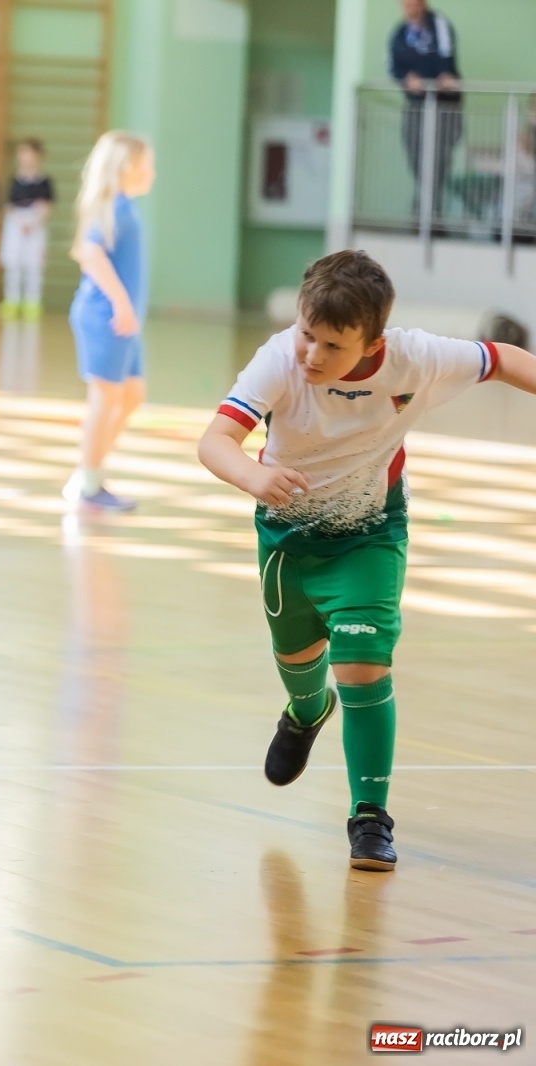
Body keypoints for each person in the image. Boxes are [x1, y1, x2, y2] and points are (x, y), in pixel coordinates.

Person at [197, 250, 536, 871]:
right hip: (289, 539)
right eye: (307, 334)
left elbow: (503, 359)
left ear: (374, 341)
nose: (313, 355)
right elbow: (215, 440)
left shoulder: (417, 357)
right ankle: (305, 710)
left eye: (332, 344)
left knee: (361, 668)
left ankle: (369, 816)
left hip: (370, 536)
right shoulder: (281, 360)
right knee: (299, 663)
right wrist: (251, 475)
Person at [65, 131, 154, 512]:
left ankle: (90, 470)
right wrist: (122, 304)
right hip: (106, 318)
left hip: (119, 321)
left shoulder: (124, 207)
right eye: (149, 164)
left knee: (132, 395)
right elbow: (89, 252)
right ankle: (88, 485)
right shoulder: (116, 207)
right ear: (129, 166)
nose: (153, 172)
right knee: (104, 400)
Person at [390, 0, 462, 216]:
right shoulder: (400, 34)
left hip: (444, 106)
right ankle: (424, 212)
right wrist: (406, 78)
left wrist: (444, 75)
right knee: (416, 156)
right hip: (416, 105)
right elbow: (393, 66)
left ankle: (428, 214)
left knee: (438, 160)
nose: (410, 9)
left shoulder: (438, 24)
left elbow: (446, 57)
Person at [0, 138, 54, 321]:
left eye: (29, 153)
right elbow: (8, 205)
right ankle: (12, 301)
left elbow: (48, 205)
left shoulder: (45, 181)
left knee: (34, 265)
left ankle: (32, 303)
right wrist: (20, 221)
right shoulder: (14, 180)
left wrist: (34, 221)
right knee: (13, 263)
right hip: (16, 225)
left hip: (35, 226)